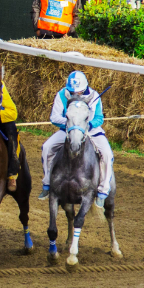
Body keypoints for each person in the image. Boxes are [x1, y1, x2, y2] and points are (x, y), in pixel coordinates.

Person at [37, 71, 114, 207]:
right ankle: (47, 182)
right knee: (47, 147)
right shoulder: (62, 94)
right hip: (69, 130)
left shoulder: (94, 96)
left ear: (84, 88)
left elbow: (99, 118)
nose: (75, 95)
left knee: (107, 154)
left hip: (91, 131)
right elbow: (54, 117)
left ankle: (103, 190)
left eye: (78, 92)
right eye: (72, 92)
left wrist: (88, 125)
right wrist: (72, 125)